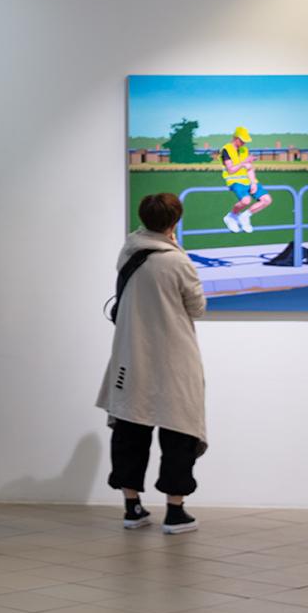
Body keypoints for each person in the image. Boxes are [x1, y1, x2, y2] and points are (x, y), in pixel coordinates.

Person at [99, 192, 208, 535]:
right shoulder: (178, 262)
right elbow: (198, 307)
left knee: (131, 427)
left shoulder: (128, 251)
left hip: (131, 353)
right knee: (180, 430)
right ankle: (175, 511)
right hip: (175, 356)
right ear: (175, 221)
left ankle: (132, 507)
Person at [220, 126, 272, 233]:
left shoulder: (245, 150)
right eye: (242, 140)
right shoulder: (226, 150)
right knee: (246, 200)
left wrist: (253, 183)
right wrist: (244, 162)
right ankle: (231, 216)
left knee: (267, 200)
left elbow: (249, 168)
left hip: (248, 181)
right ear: (236, 138)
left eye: (245, 141)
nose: (244, 143)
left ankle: (245, 216)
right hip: (234, 181)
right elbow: (230, 170)